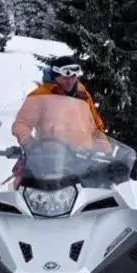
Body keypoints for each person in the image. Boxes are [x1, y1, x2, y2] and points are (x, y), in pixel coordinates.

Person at [9, 58, 110, 188]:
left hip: (84, 159)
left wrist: (104, 150)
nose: (70, 81)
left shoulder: (82, 93)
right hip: (51, 160)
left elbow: (96, 126)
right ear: (55, 76)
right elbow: (21, 124)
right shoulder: (40, 95)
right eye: (65, 77)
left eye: (73, 76)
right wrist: (29, 143)